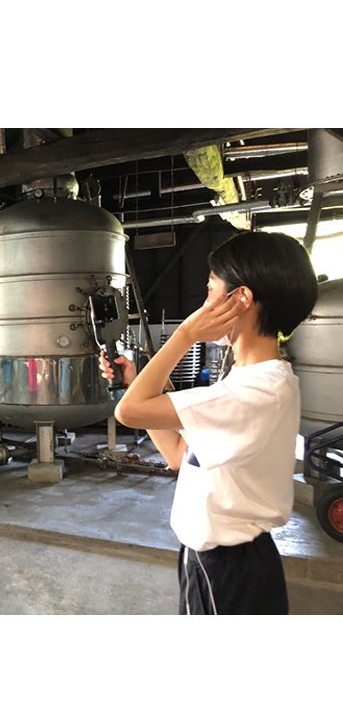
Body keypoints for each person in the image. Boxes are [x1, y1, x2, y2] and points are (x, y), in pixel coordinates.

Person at [102, 231, 319, 615]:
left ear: (240, 299)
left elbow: (128, 412)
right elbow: (177, 454)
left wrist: (185, 334)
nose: (203, 304)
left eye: (209, 290)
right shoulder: (250, 381)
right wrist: (135, 381)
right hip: (222, 562)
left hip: (226, 569)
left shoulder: (255, 391)